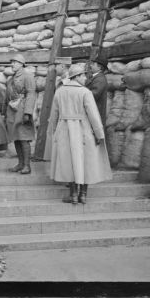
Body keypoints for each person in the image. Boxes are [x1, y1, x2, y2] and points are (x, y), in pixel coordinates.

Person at [44, 63, 112, 204]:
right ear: (77, 76)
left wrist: (53, 133)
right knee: (86, 161)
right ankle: (83, 195)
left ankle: (73, 195)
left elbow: (54, 115)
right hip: (84, 130)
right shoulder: (85, 92)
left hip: (64, 130)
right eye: (83, 76)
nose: (86, 79)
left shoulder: (60, 91)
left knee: (70, 162)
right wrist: (99, 134)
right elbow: (93, 115)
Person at [4, 53, 36, 175]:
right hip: (12, 111)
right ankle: (20, 164)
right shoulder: (11, 79)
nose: (12, 64)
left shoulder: (28, 76)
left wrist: (28, 112)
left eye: (15, 62)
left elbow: (31, 94)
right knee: (16, 138)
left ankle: (27, 166)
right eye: (12, 62)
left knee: (24, 138)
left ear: (22, 64)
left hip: (22, 110)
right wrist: (4, 112)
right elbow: (6, 97)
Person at [85, 52, 108, 126]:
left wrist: (80, 94)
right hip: (92, 112)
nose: (90, 65)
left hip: (95, 112)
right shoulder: (95, 78)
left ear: (99, 67)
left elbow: (94, 95)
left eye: (93, 64)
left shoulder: (100, 79)